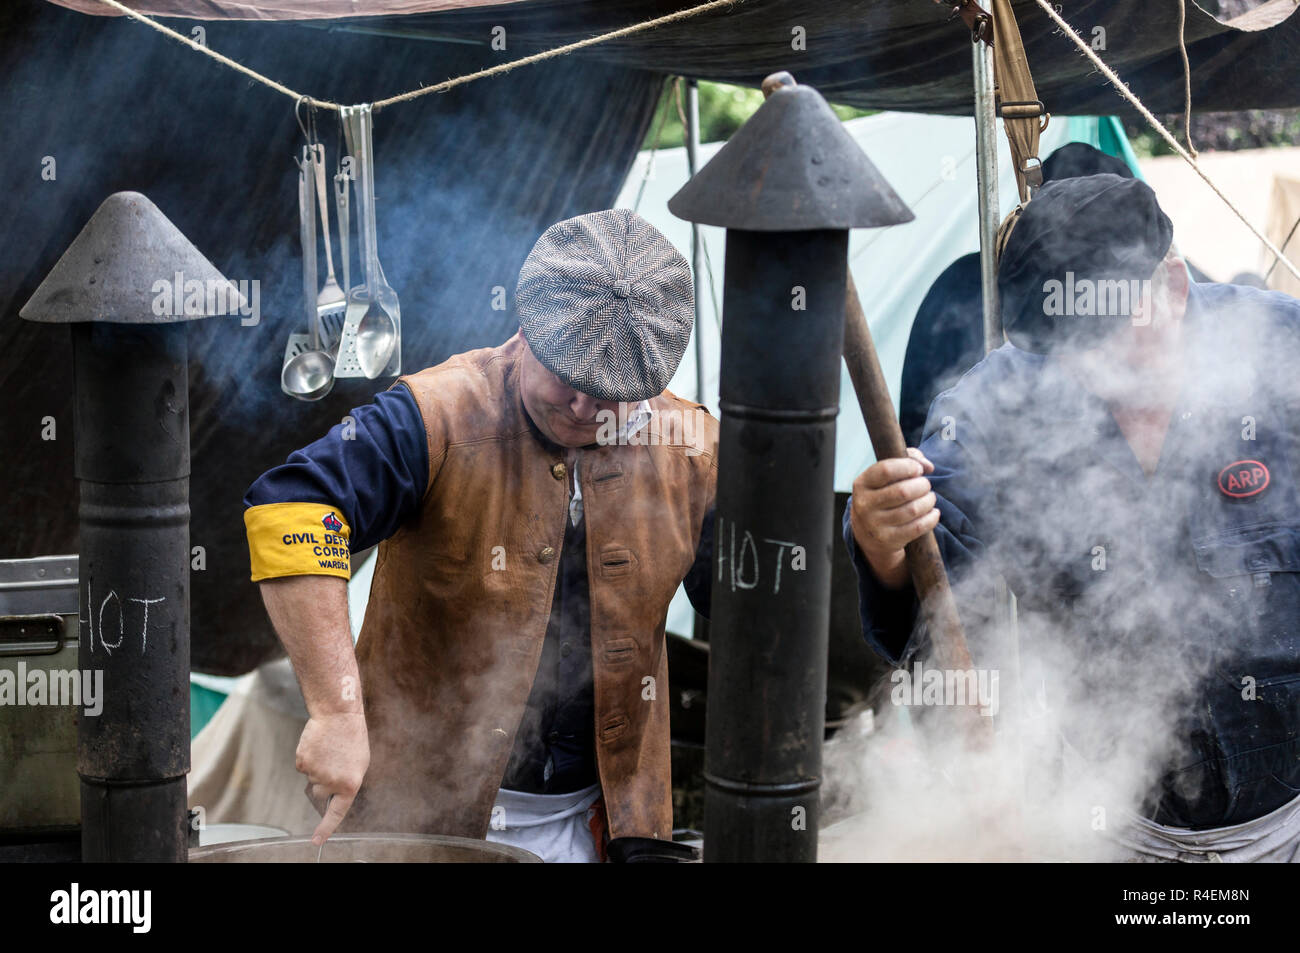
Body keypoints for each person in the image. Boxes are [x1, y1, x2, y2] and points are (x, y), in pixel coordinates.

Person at [845, 174, 1300, 861]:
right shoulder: (1001, 399)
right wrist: (880, 536)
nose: (1093, 374)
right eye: (1071, 351)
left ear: (1171, 289)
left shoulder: (1280, 351)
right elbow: (931, 563)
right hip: (1115, 819)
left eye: (1112, 342)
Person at [243, 208, 718, 863]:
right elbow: (292, 507)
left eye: (611, 395)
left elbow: (749, 602)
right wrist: (335, 710)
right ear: (525, 330)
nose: (583, 409)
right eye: (566, 379)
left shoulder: (690, 448)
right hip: (419, 823)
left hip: (606, 826)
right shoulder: (437, 414)